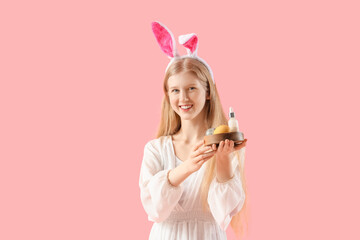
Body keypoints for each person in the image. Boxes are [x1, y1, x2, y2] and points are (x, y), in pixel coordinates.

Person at [139, 21, 248, 240]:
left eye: (192, 88)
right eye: (175, 90)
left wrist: (224, 160)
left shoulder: (223, 146)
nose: (183, 98)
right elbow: (154, 209)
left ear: (208, 92)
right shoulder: (156, 149)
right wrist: (188, 167)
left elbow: (224, 212)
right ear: (168, 95)